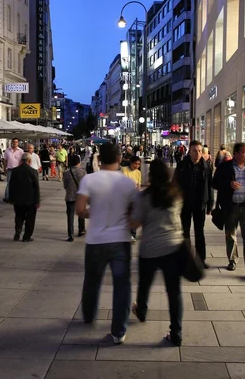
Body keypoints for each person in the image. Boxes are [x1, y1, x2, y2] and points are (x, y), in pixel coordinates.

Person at [76, 142, 138, 345]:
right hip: (120, 240)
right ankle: (119, 332)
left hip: (95, 240)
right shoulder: (127, 183)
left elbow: (79, 209)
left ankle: (88, 315)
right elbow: (134, 213)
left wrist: (91, 213)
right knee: (122, 286)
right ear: (119, 159)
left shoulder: (89, 179)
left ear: (99, 159)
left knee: (92, 280)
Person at [130, 159, 184, 346]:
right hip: (173, 248)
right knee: (174, 292)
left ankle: (142, 311)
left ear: (150, 175)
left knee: (144, 284)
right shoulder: (176, 195)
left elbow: (134, 224)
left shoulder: (144, 197)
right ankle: (176, 333)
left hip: (150, 249)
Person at [212, 142, 245, 277]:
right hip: (230, 206)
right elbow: (214, 182)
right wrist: (229, 184)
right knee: (230, 234)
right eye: (244, 153)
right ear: (236, 154)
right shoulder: (225, 167)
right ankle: (233, 260)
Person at [173, 140, 214, 268]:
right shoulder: (182, 165)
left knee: (199, 232)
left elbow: (210, 186)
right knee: (185, 232)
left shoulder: (206, 167)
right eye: (195, 151)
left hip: (200, 204)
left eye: (200, 151)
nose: (198, 153)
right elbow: (175, 185)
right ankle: (186, 259)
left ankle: (201, 259)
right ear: (189, 152)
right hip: (185, 204)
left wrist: (210, 204)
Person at [9, 153, 40, 242]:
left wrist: (11, 198)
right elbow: (36, 187)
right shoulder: (33, 171)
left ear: (21, 160)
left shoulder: (15, 171)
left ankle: (18, 229)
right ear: (29, 161)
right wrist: (37, 201)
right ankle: (27, 236)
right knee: (30, 219)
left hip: (18, 199)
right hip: (30, 199)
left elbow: (11, 185)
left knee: (19, 216)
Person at [63, 155, 86, 242]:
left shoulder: (66, 173)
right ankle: (81, 230)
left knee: (70, 216)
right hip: (81, 196)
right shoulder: (83, 172)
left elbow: (65, 186)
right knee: (81, 213)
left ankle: (70, 234)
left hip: (70, 196)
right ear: (78, 162)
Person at [3, 138, 24, 203]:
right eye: (14, 142)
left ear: (18, 143)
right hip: (10, 169)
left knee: (17, 184)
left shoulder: (21, 151)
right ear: (12, 142)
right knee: (9, 183)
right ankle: (7, 197)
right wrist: (4, 168)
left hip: (17, 169)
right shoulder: (7, 150)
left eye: (16, 142)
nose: (15, 143)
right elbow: (5, 160)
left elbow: (22, 161)